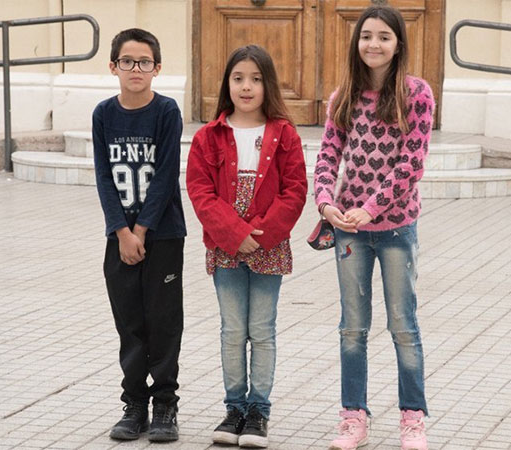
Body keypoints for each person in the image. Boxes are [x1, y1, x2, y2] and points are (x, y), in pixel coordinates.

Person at [313, 5, 434, 450]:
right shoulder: (342, 96)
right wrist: (326, 202)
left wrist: (370, 208)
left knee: (403, 324)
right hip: (348, 231)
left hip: (397, 229)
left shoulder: (417, 94)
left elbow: (411, 166)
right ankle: (353, 418)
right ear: (356, 41)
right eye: (366, 36)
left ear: (398, 43)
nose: (374, 44)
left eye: (384, 36)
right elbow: (327, 156)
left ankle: (413, 419)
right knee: (352, 327)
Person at [186, 44, 307, 448]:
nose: (246, 86)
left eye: (256, 78)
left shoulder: (284, 135)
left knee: (263, 330)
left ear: (267, 84)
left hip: (268, 245)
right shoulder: (209, 136)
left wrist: (261, 234)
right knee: (233, 329)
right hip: (225, 247)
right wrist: (234, 234)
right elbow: (200, 190)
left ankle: (259, 412)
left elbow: (295, 191)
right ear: (227, 83)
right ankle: (234, 408)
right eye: (238, 78)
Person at [92, 28, 185, 443]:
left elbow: (165, 176)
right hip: (119, 238)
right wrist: (121, 232)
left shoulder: (166, 112)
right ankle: (135, 405)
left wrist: (142, 230)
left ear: (157, 68)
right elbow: (103, 179)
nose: (135, 69)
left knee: (163, 322)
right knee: (129, 322)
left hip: (163, 236)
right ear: (113, 66)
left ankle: (165, 404)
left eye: (144, 62)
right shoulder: (103, 115)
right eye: (127, 61)